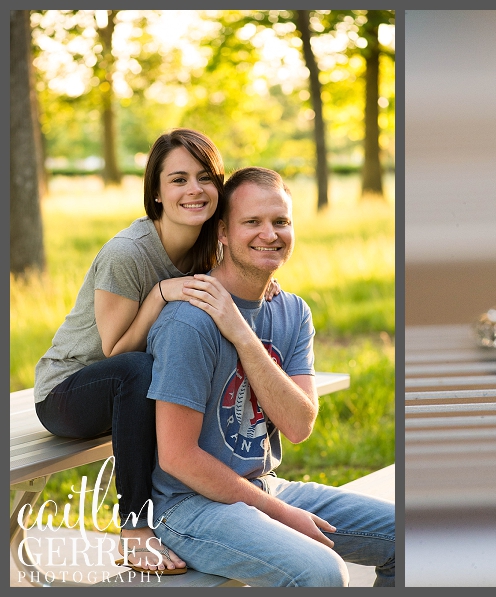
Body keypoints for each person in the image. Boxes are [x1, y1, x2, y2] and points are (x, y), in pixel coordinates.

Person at [32, 129, 279, 574]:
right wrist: (160, 294)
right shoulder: (128, 253)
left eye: (205, 177)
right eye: (178, 179)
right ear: (158, 193)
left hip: (132, 393)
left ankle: (229, 495)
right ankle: (134, 529)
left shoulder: (208, 246)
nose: (194, 190)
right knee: (138, 370)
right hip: (67, 394)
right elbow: (115, 352)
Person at [145, 167, 395, 587]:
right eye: (252, 222)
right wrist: (280, 514)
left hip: (260, 486)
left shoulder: (292, 311)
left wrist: (243, 334)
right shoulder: (189, 321)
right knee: (320, 574)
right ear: (222, 232)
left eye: (280, 221)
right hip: (187, 506)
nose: (270, 233)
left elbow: (299, 425)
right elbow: (177, 457)